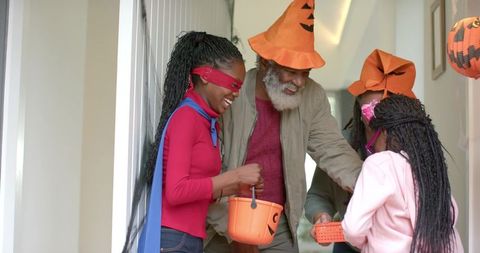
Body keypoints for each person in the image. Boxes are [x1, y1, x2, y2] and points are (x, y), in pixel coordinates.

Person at [204, 1, 363, 252]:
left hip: (278, 228)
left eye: (305, 72)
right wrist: (236, 232)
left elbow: (334, 150)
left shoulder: (313, 97)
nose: (300, 82)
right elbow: (207, 168)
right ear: (266, 63)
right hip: (225, 222)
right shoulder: (232, 94)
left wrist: (378, 187)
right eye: (291, 71)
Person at [122, 31, 265, 253]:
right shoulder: (187, 117)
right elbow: (176, 191)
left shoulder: (207, 121)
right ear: (206, 76)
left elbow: (197, 191)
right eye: (234, 85)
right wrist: (234, 176)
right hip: (173, 239)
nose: (236, 94)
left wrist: (236, 187)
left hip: (189, 238)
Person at [305, 49, 417, 252]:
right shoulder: (341, 146)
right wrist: (321, 215)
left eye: (384, 108)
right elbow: (317, 195)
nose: (375, 117)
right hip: (348, 246)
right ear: (358, 104)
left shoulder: (417, 151)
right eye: (369, 108)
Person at [342, 94, 464, 253]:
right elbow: (451, 215)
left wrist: (368, 243)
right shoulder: (430, 166)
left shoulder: (380, 164)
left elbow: (353, 228)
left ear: (384, 132)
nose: (370, 144)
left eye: (373, 135)